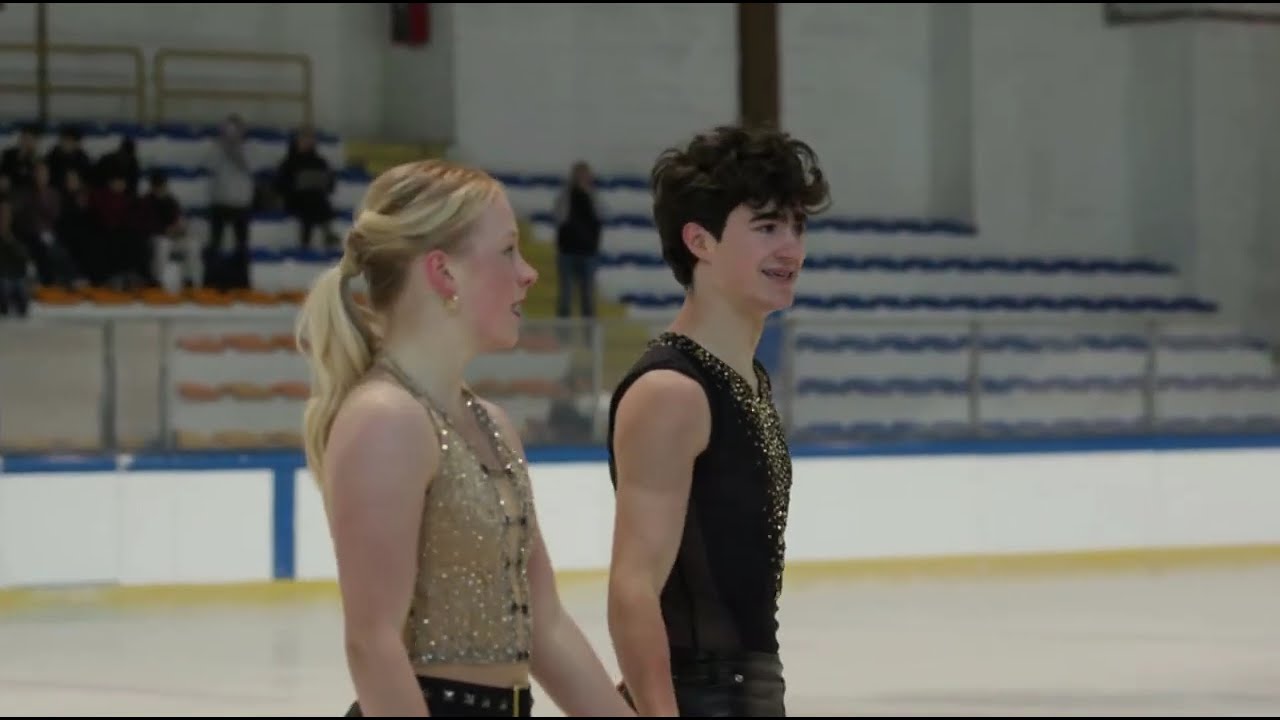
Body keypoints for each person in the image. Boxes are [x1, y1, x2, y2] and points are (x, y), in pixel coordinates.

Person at [294, 159, 636, 718]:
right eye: (507, 251)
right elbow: (373, 645)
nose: (529, 273)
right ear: (443, 272)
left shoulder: (493, 425)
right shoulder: (385, 420)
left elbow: (544, 624)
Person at [605, 124, 832, 717]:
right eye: (765, 228)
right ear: (700, 241)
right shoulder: (672, 390)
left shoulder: (746, 379)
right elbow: (633, 590)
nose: (791, 248)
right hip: (699, 698)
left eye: (796, 226)